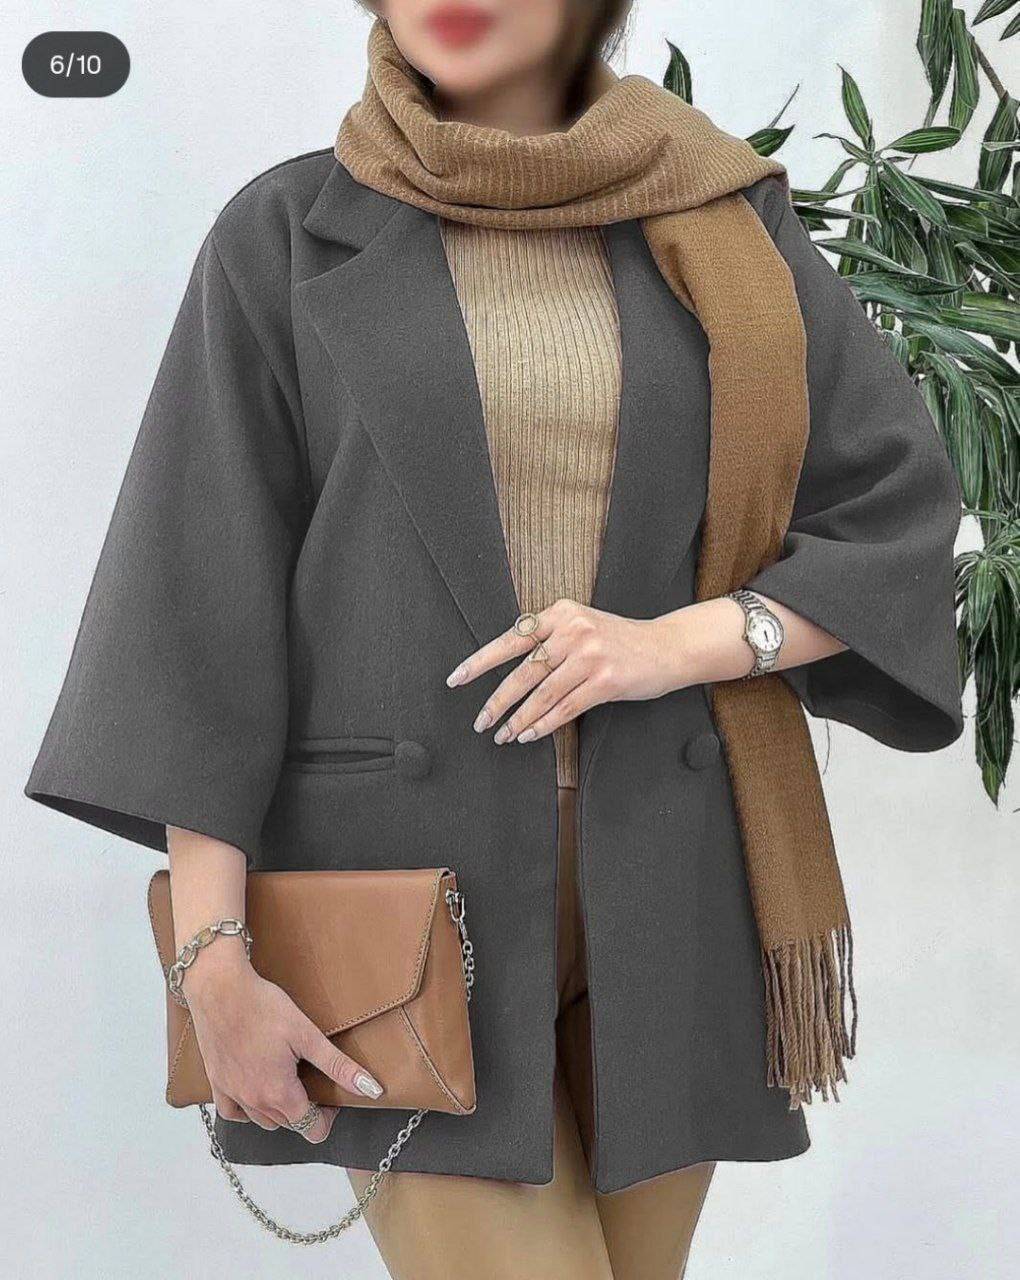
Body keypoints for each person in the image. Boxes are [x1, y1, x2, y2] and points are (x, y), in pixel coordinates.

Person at [25, 1, 964, 1276]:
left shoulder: (730, 220)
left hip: (676, 876)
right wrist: (210, 956)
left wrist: (678, 643)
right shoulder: (286, 233)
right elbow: (196, 603)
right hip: (400, 906)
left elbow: (893, 514)